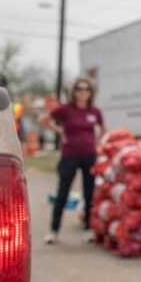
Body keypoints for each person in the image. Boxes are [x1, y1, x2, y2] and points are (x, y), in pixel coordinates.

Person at [38, 78, 106, 244]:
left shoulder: (94, 111)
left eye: (87, 89)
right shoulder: (66, 109)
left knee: (89, 193)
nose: (83, 92)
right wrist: (59, 130)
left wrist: (98, 142)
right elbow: (43, 120)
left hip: (89, 156)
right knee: (63, 192)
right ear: (74, 92)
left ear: (91, 92)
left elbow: (103, 129)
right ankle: (53, 230)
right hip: (70, 155)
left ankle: (88, 229)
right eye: (79, 89)